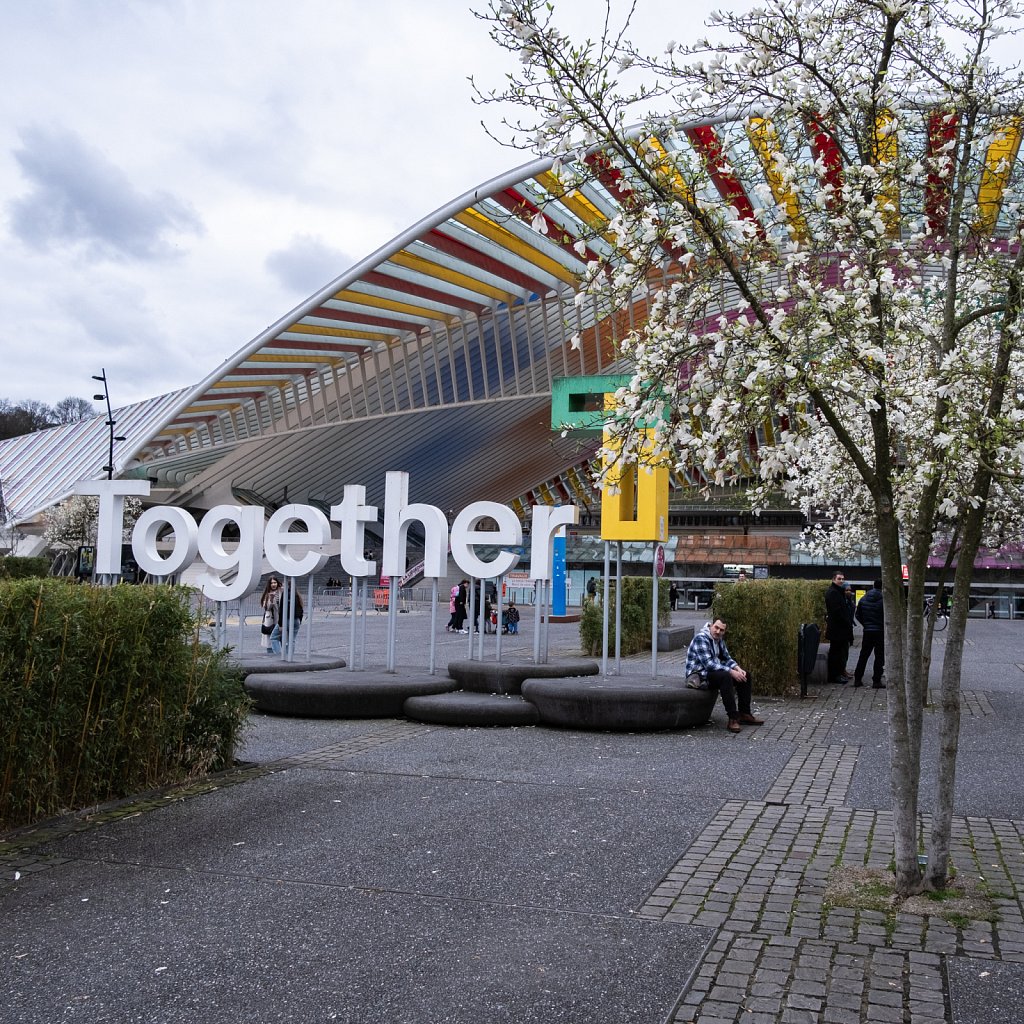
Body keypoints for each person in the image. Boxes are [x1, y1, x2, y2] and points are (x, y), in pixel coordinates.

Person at [683, 618, 764, 733]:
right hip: (699, 676)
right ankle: (733, 718)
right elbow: (708, 664)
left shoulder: (719, 639)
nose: (718, 631)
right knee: (725, 677)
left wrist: (738, 669)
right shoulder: (701, 638)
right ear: (711, 625)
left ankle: (744, 714)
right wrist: (731, 672)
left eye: (721, 630)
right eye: (716, 627)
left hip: (711, 673)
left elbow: (726, 658)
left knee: (746, 676)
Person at [854, 579, 885, 689]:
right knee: (879, 656)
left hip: (867, 631)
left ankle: (857, 679)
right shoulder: (884, 600)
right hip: (880, 631)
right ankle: (876, 681)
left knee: (863, 655)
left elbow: (857, 615)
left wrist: (866, 624)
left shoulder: (863, 598)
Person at [825, 571, 855, 685]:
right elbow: (837, 611)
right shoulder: (833, 592)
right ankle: (835, 675)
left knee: (839, 652)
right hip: (837, 629)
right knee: (836, 653)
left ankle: (838, 674)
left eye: (843, 579)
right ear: (834, 579)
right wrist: (846, 621)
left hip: (839, 628)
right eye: (839, 579)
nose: (841, 581)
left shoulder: (838, 591)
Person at [259, 577, 282, 656]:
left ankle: (281, 655)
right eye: (271, 583)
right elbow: (267, 608)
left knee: (281, 637)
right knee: (269, 639)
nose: (273, 584)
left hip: (279, 618)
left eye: (275, 582)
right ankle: (270, 655)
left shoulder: (281, 592)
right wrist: (271, 600)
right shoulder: (267, 594)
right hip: (270, 619)